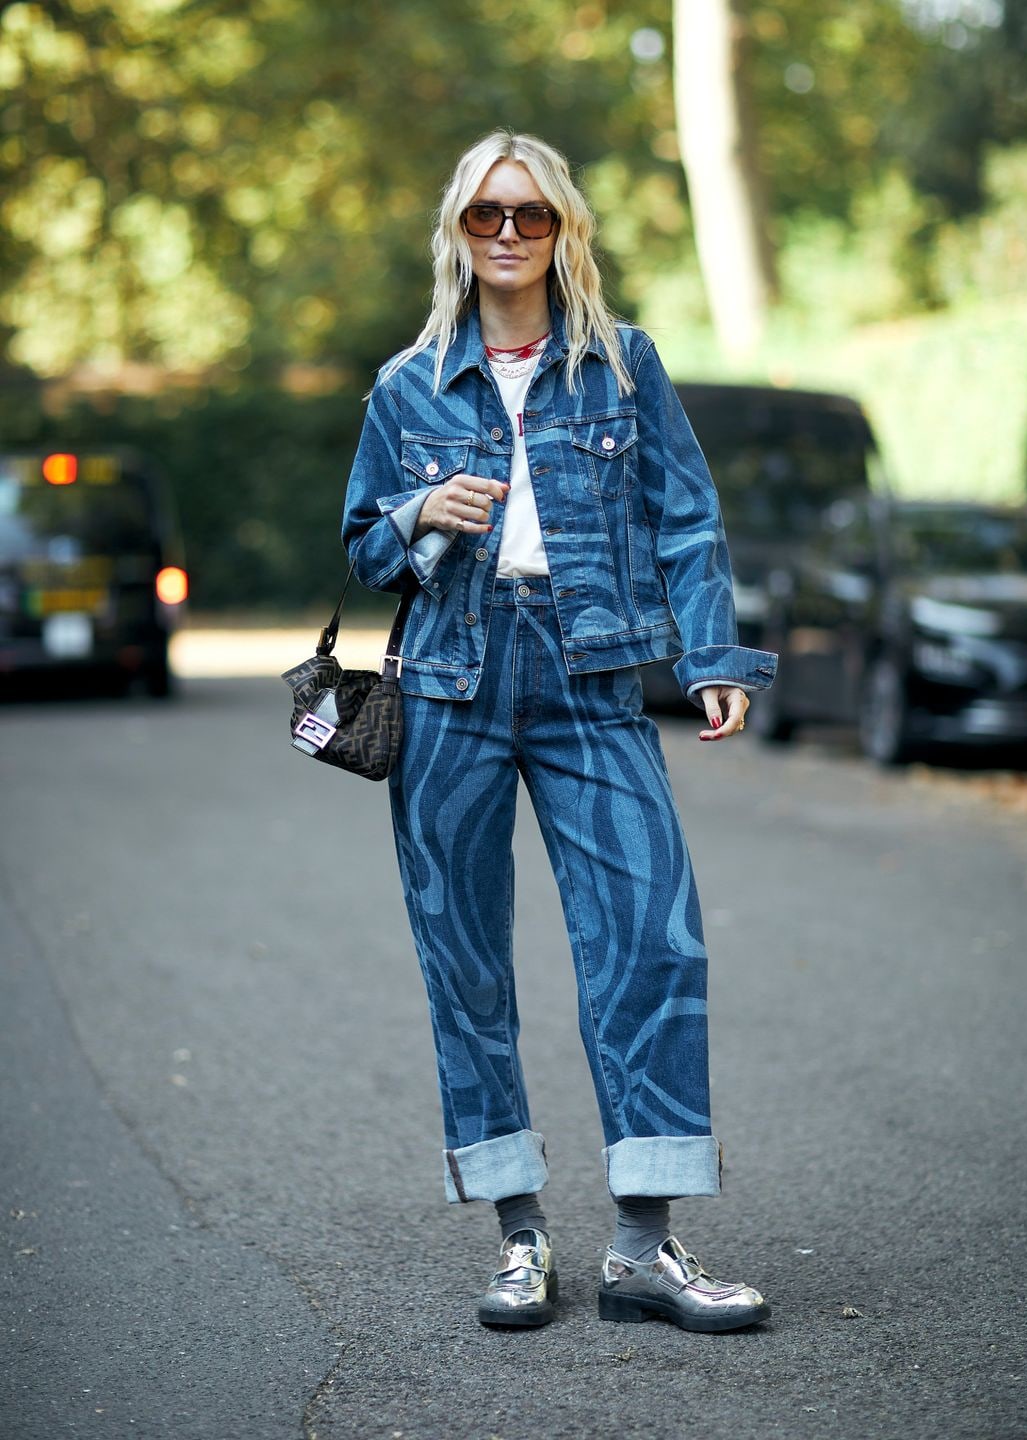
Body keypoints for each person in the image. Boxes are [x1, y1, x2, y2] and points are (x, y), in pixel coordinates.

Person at [341, 130, 778, 1333]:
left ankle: (645, 1246)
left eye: (530, 216)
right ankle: (519, 1234)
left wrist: (710, 659)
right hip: (449, 681)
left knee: (651, 940)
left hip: (592, 675)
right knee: (466, 962)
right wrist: (421, 507)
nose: (508, 234)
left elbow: (687, 519)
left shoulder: (622, 364)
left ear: (562, 230)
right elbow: (367, 548)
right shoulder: (408, 381)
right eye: (486, 213)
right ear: (459, 230)